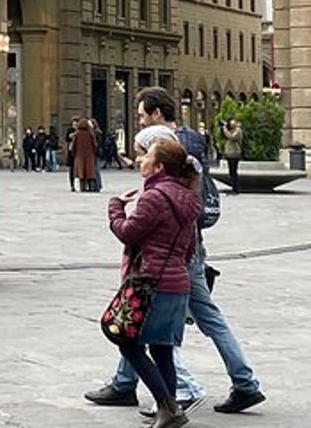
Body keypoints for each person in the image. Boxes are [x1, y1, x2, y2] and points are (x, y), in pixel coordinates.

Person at [86, 86, 264, 416]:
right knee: (158, 335)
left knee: (145, 330)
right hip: (180, 256)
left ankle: (204, 389)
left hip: (164, 265)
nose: (139, 154)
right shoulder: (185, 167)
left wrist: (116, 208)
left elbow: (130, 231)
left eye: (141, 116)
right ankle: (131, 387)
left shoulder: (173, 150)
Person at [105, 128, 202, 428]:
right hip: (177, 282)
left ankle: (167, 405)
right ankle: (169, 410)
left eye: (146, 156)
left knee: (124, 338)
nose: (141, 160)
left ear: (159, 167)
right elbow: (189, 247)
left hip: (151, 281)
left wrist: (115, 206)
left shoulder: (154, 197)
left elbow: (127, 232)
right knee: (162, 348)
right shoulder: (189, 198)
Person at [73, 118, 98, 192]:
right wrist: (94, 152)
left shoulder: (77, 134)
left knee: (81, 173)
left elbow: (74, 145)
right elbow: (94, 145)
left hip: (79, 156)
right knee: (89, 172)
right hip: (89, 156)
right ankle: (91, 187)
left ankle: (82, 187)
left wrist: (74, 153)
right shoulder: (90, 134)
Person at [220, 118, 243, 195]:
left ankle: (235, 189)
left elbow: (231, 137)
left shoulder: (238, 130)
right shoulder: (230, 130)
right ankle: (234, 188)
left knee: (233, 172)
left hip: (235, 153)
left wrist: (225, 128)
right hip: (229, 153)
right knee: (231, 172)